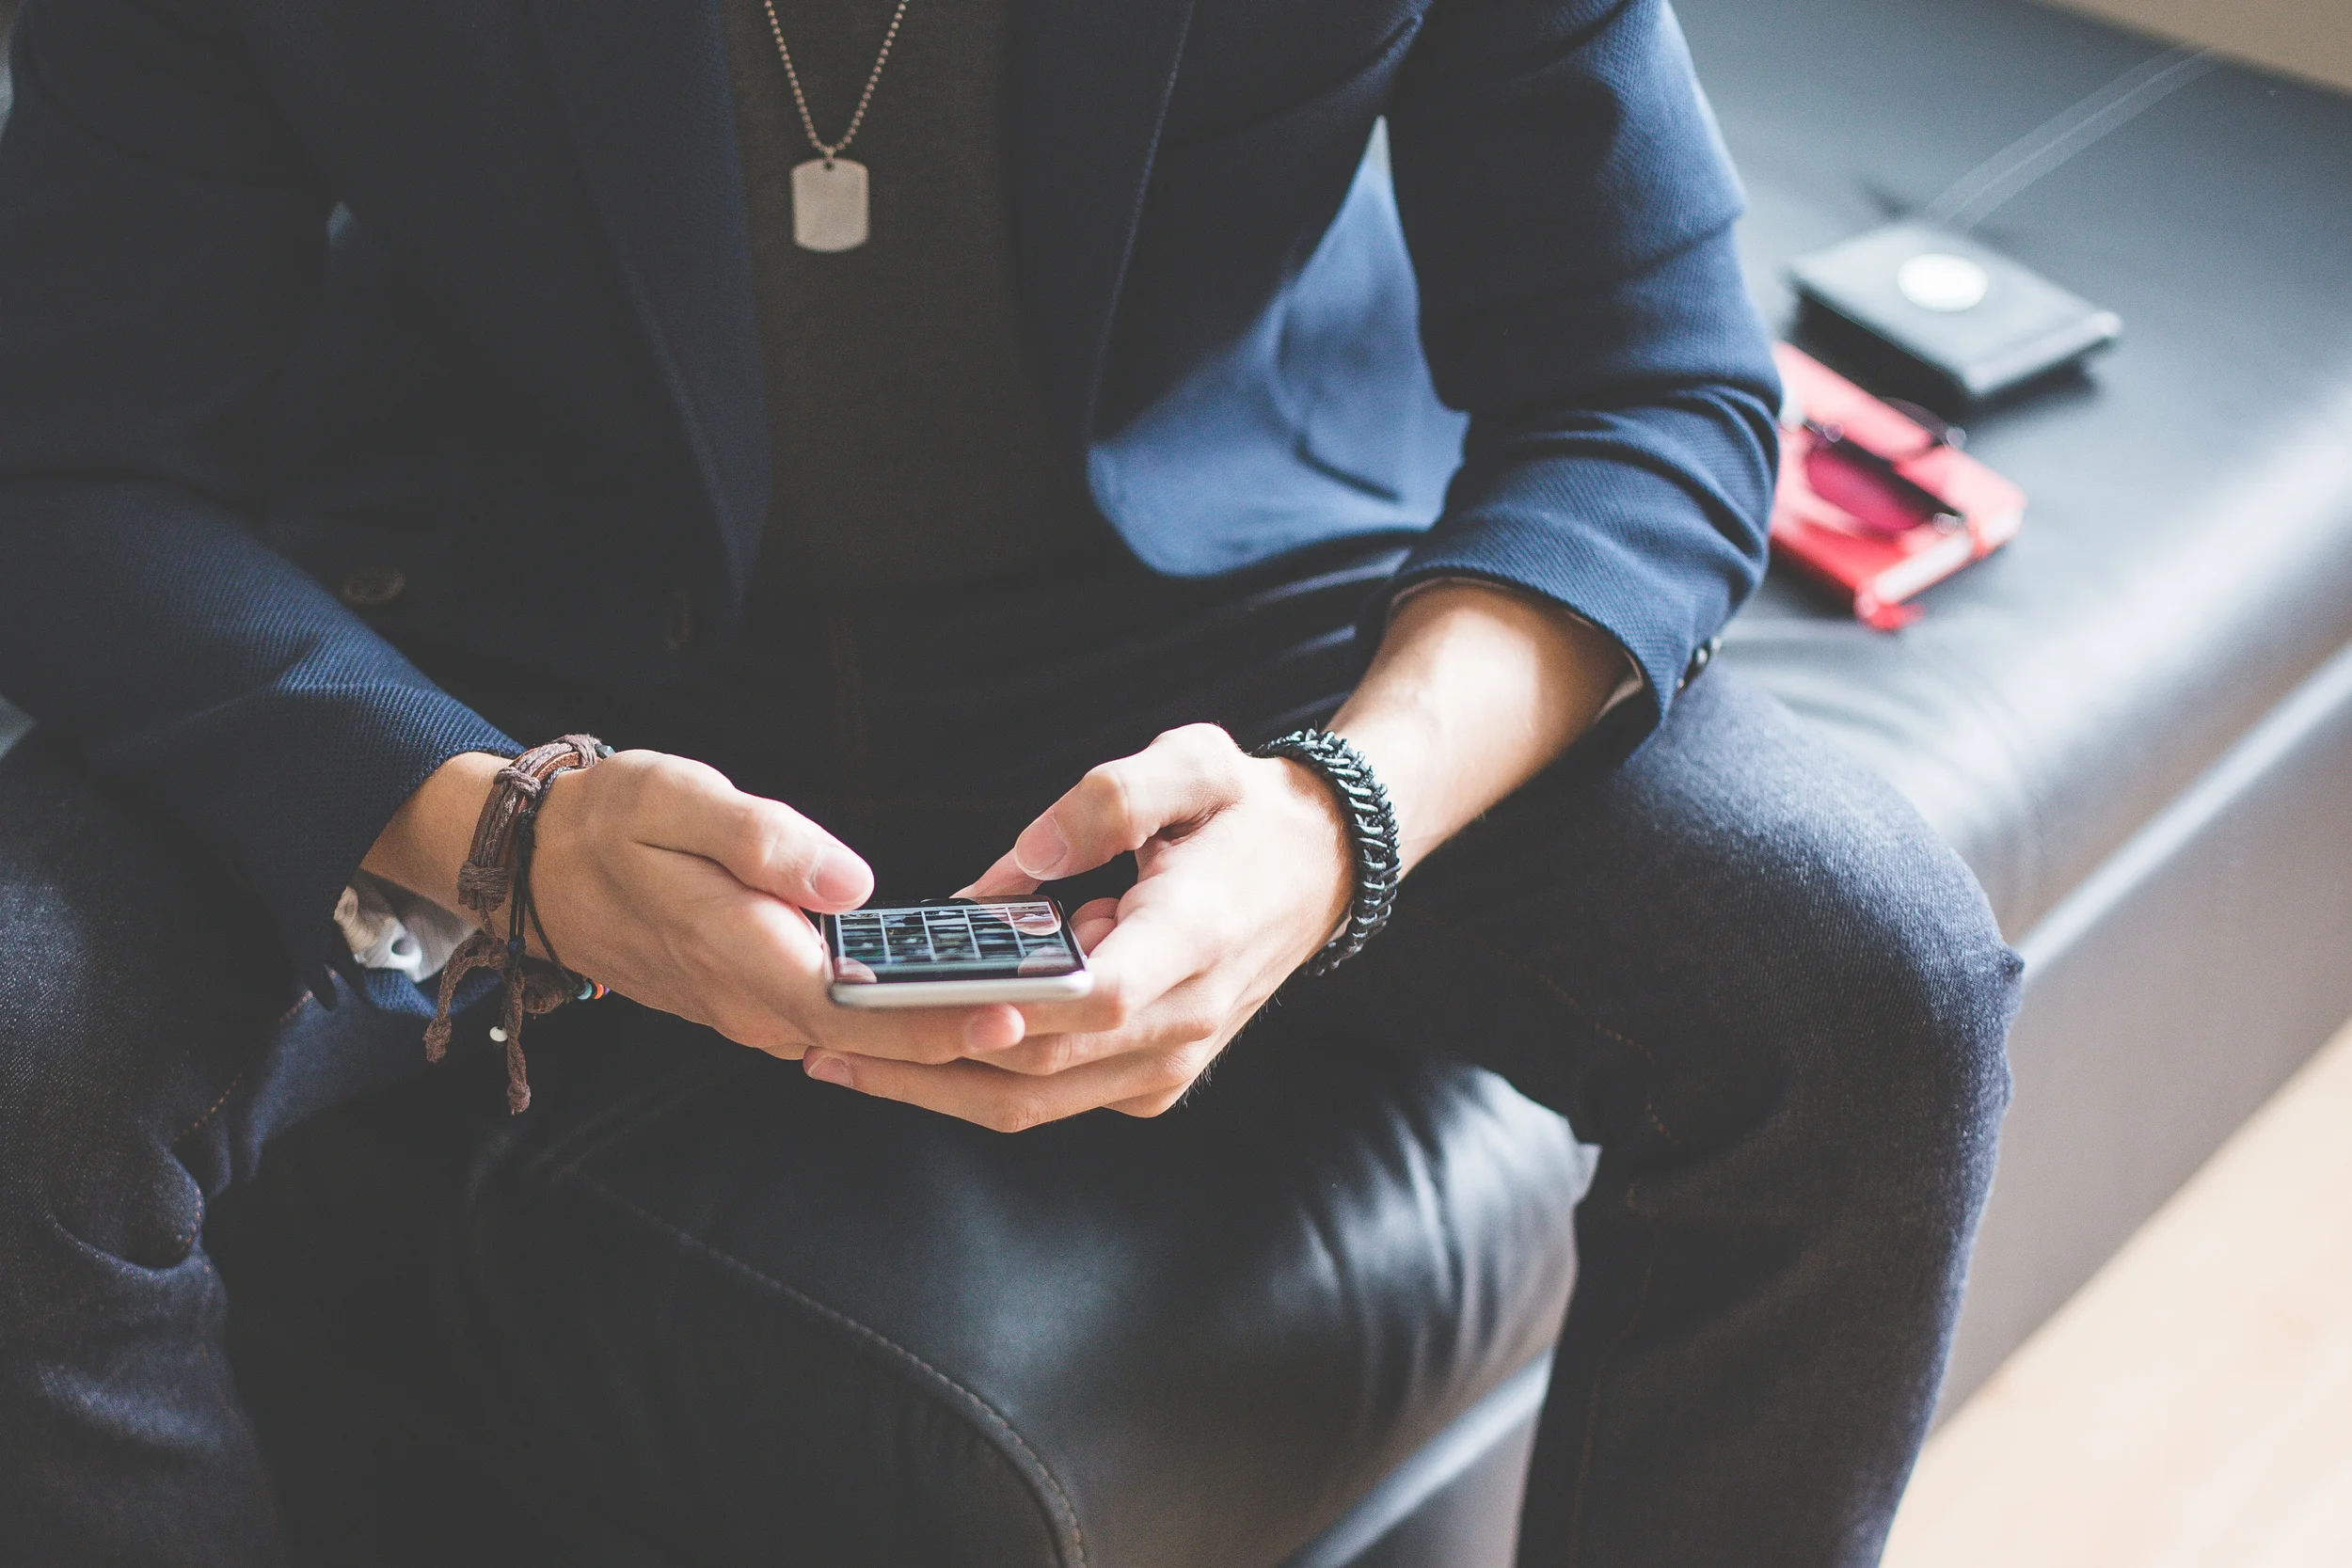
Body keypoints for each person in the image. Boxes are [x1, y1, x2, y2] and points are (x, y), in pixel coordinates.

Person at [0, 0, 2022, 1560]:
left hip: (1214, 629)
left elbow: (1650, 377)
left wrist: (1338, 818)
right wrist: (486, 829)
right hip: (495, 634)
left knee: (1870, 978)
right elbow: (70, 458)